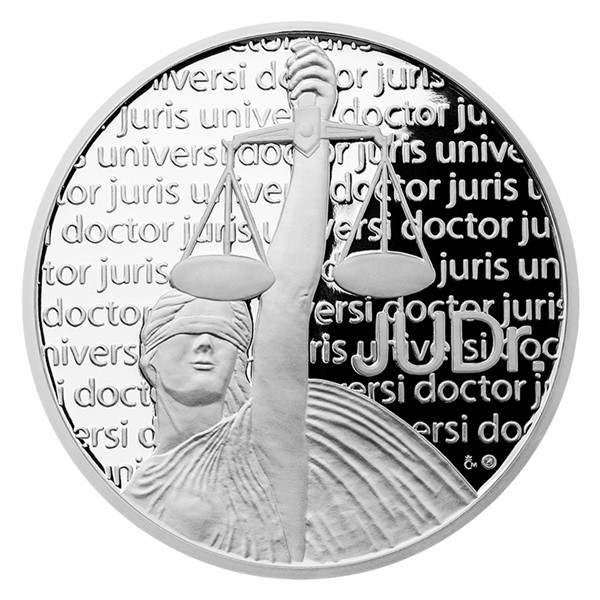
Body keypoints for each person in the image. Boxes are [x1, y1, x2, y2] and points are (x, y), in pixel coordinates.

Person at [124, 41, 476, 564]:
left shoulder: (259, 443)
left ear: (242, 361)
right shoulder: (130, 494)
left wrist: (312, 148)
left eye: (223, 336)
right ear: (148, 358)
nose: (206, 345)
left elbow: (287, 297)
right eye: (191, 331)